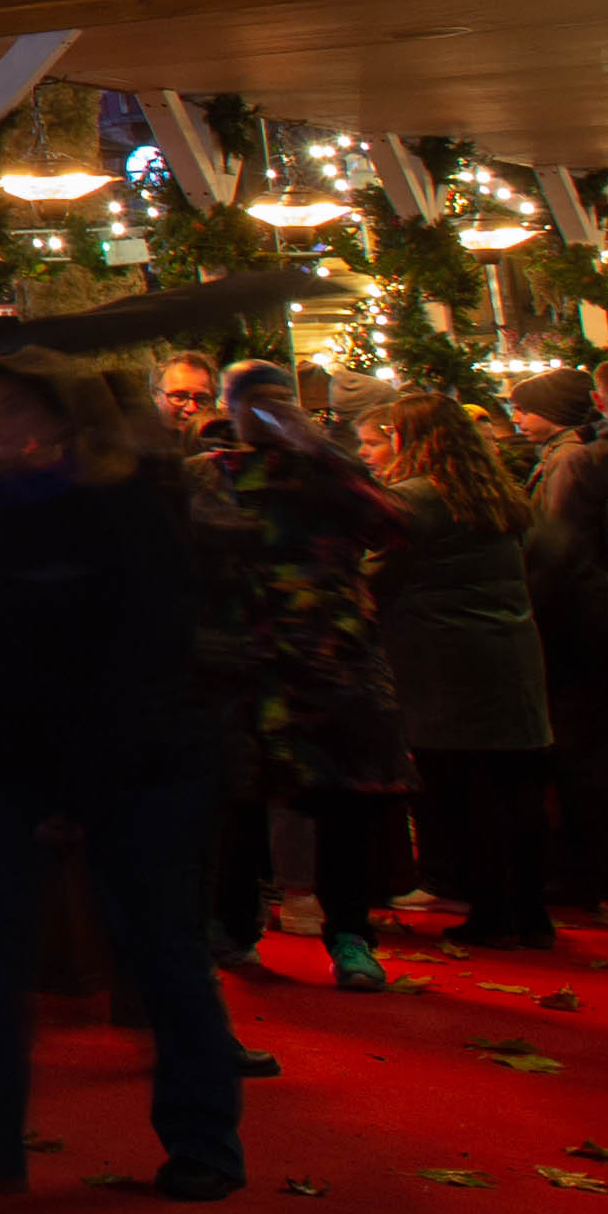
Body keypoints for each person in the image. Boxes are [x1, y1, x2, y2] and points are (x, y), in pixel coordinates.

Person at [0, 357, 247, 1198]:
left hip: (132, 760)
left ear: (61, 414)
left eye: (8, 407)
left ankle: (205, 1140)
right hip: (17, 763)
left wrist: (73, 780)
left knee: (160, 946)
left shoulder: (125, 505)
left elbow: (140, 651)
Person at [199, 360, 425, 990]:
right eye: (253, 402)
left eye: (278, 401)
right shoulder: (214, 475)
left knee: (343, 806)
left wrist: (318, 451)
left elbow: (397, 523)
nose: (266, 414)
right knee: (240, 805)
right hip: (245, 665)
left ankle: (350, 934)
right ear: (232, 409)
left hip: (331, 662)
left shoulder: (330, 475)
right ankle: (234, 928)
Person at [359, 382, 555, 949]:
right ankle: (531, 912)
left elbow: (375, 574)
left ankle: (491, 910)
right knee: (517, 790)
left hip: (442, 663)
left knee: (465, 793)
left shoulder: (414, 499)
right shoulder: (495, 491)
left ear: (405, 438)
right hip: (510, 652)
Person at [519, 362, 608, 923]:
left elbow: (559, 545)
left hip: (578, 625)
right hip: (589, 621)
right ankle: (601, 870)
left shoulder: (570, 461)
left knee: (586, 757)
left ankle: (596, 872)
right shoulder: (574, 455)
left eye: (526, 408)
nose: (517, 418)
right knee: (592, 755)